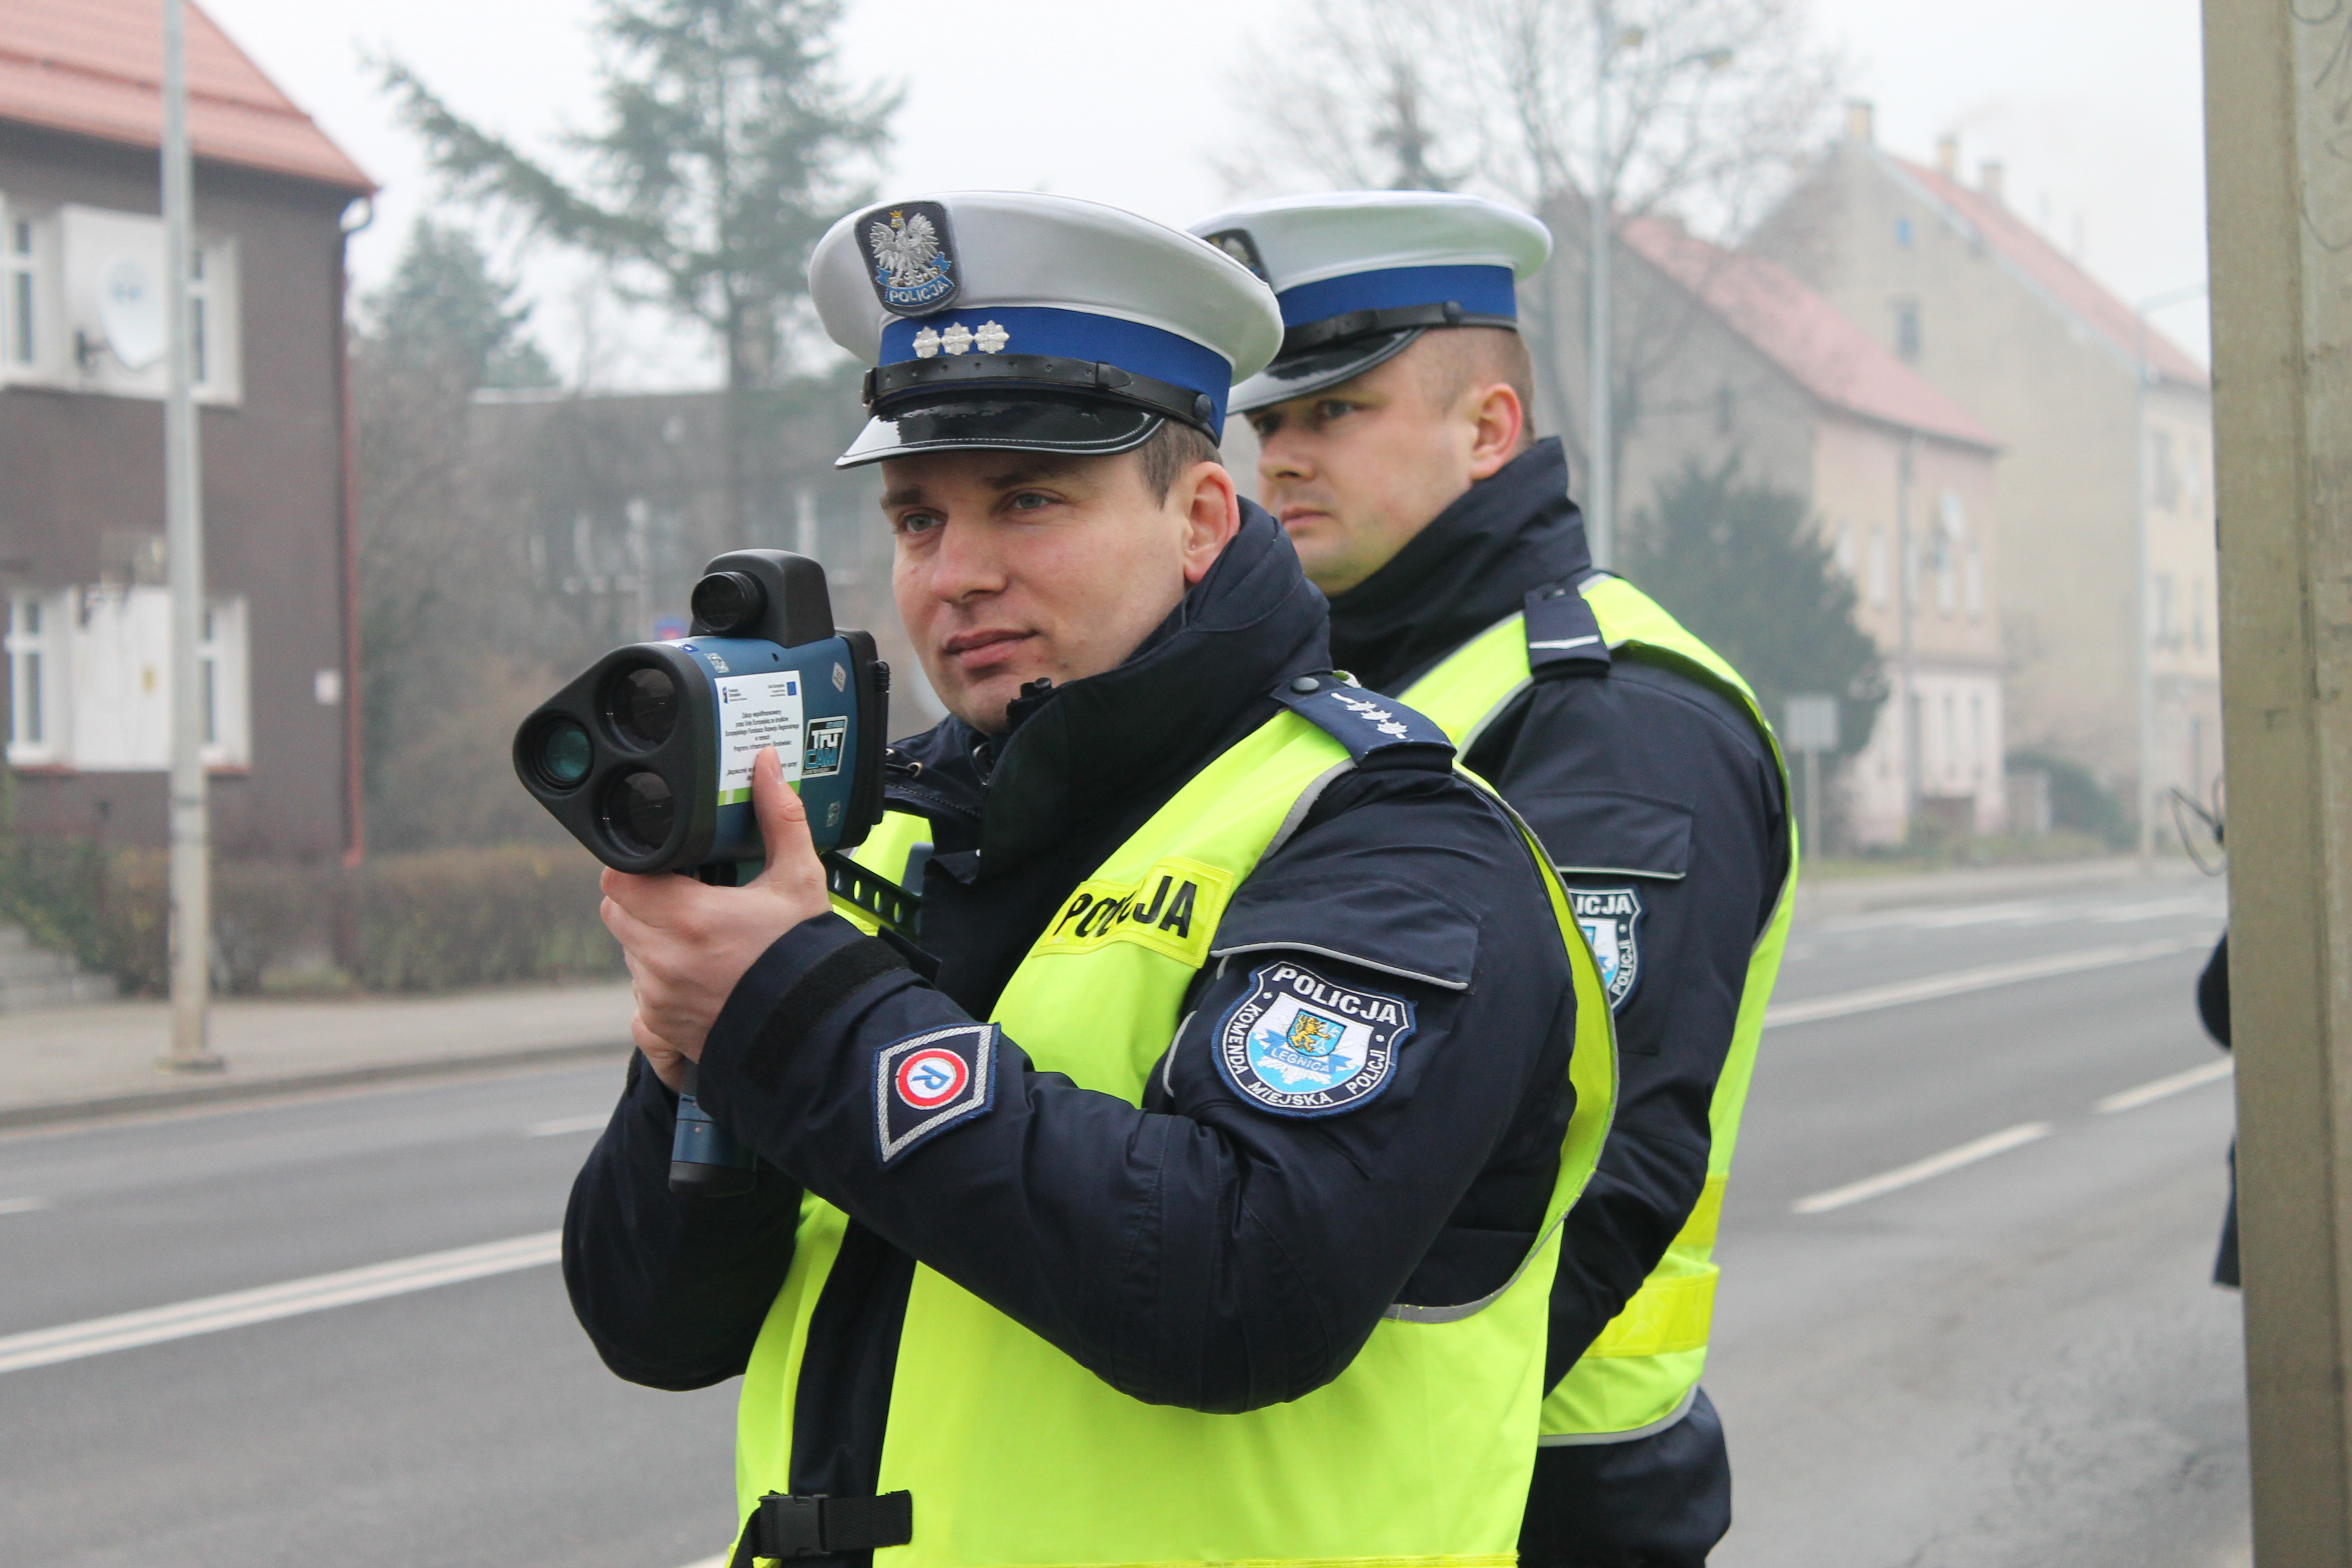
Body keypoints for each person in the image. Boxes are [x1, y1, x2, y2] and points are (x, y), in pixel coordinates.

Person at [564, 190, 1617, 1568]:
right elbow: (656, 1323)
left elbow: (1240, 1281)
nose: (960, 573)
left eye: (1031, 501)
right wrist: (692, 1056)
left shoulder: (1393, 838)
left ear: (1199, 516)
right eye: (920, 518)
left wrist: (800, 1011)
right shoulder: (880, 839)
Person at [1189, 190, 1796, 1568]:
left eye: (1336, 412)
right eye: (1270, 423)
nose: (1283, 458)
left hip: (1534, 1485)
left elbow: (1614, 1156)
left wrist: (1352, 1422)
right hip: (1342, 1482)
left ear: (1488, 430)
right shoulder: (1311, 696)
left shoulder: (1614, 716)